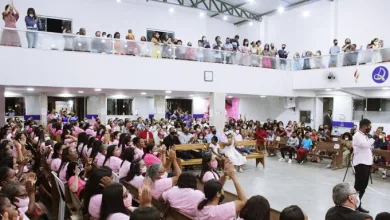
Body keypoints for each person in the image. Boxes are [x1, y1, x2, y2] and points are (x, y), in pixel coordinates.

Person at [352, 119, 374, 213]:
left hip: (367, 163)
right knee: (358, 186)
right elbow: (365, 145)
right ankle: (353, 205)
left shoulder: (365, 136)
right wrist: (374, 137)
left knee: (363, 187)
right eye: (369, 126)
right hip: (360, 163)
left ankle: (358, 204)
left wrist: (371, 140)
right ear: (364, 126)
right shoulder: (357, 135)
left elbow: (369, 146)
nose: (370, 128)